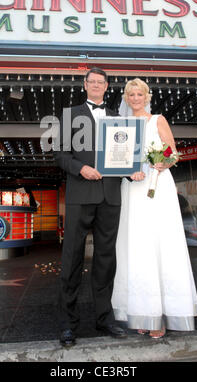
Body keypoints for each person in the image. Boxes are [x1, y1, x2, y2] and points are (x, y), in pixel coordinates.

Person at [112, 78, 197, 339]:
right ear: (126, 99)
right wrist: (127, 171)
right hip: (132, 188)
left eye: (140, 94)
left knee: (160, 244)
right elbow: (116, 157)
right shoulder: (121, 125)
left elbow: (173, 151)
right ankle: (141, 312)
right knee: (135, 247)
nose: (136, 98)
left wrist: (163, 163)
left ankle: (160, 315)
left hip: (156, 186)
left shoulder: (158, 120)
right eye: (131, 95)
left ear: (147, 97)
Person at [55, 67, 127, 347]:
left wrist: (131, 169)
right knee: (71, 259)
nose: (96, 85)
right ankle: (67, 324)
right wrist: (80, 167)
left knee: (106, 260)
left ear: (107, 86)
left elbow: (124, 156)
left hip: (110, 196)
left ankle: (104, 318)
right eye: (92, 82)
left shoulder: (119, 119)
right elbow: (60, 155)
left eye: (101, 82)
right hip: (80, 194)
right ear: (84, 85)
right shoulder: (69, 115)